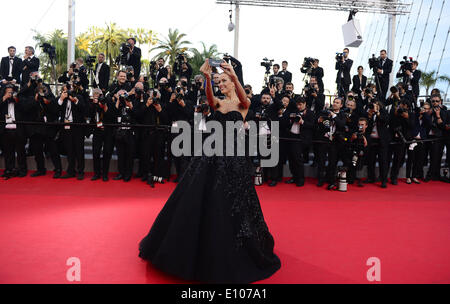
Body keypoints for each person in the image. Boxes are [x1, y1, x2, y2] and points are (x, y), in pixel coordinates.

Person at [138, 59, 281, 283]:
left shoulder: (243, 105)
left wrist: (233, 74)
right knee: (195, 200)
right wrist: (206, 77)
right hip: (210, 155)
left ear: (233, 83)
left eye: (223, 81)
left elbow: (244, 98)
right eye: (219, 81)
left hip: (233, 161)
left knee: (230, 205)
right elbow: (211, 99)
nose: (220, 84)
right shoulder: (220, 104)